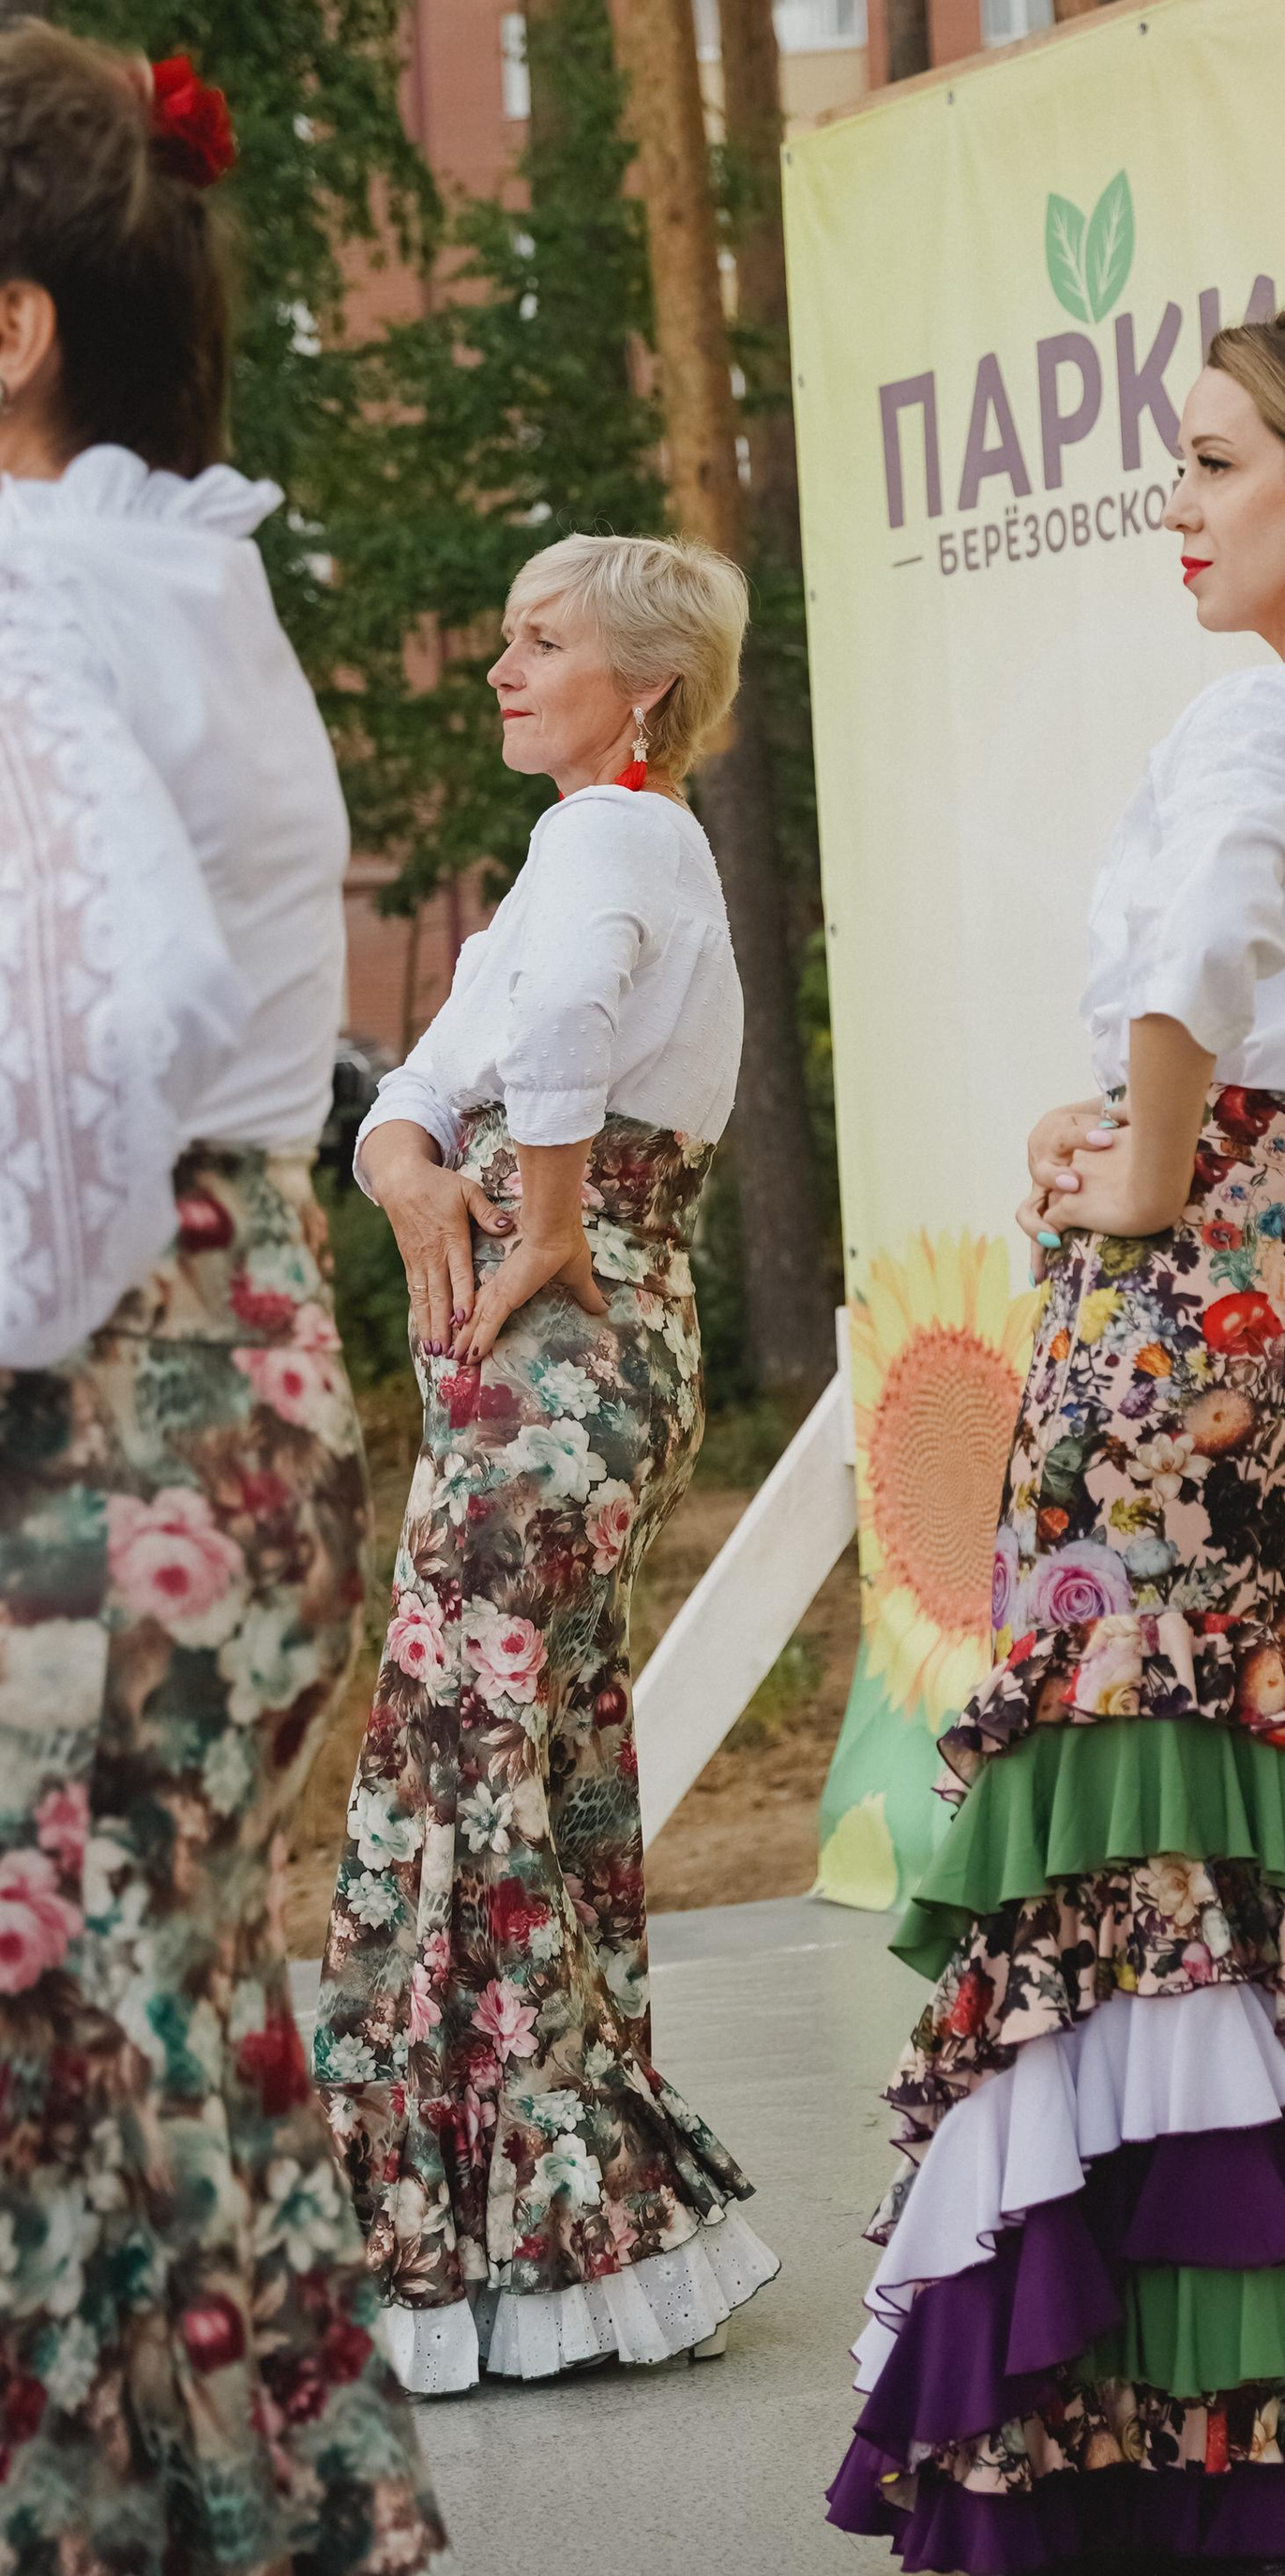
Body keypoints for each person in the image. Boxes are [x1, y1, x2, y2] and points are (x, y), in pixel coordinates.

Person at [0, 19, 597, 2576]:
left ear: (11, 333)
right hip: (218, 1381)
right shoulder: (152, 567)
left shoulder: (37, 591)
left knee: (69, 2140)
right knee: (153, 2119)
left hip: (100, 1410)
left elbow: (83, 1026)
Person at [827, 300, 1285, 2576]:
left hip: (1193, 1318)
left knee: (1139, 1830)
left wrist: (1140, 1164)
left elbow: (1209, 950)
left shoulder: (1264, 707)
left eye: (1217, 463)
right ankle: (1219, 2429)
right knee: (1203, 1840)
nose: (1175, 501)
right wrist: (1140, 1122)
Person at [313, 530, 779, 2394]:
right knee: (509, 1750)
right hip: (561, 1351)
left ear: (644, 680)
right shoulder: (571, 845)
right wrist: (427, 1165)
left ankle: (498, 2240)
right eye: (501, 632)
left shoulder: (619, 834)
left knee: (462, 1753)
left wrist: (549, 1211)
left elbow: (568, 1031)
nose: (503, 667)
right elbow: (421, 1087)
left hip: (565, 1351)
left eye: (544, 639)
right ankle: (549, 2244)